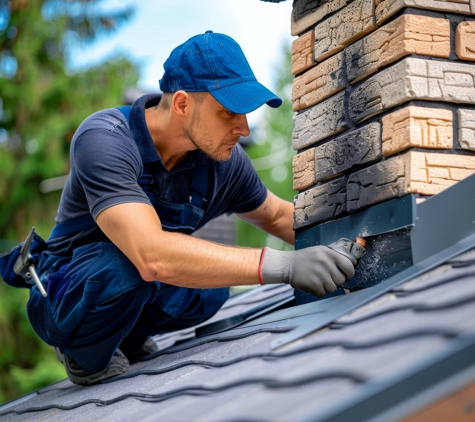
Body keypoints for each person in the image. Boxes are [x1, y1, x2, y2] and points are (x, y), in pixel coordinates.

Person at [0, 31, 362, 385]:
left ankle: (126, 335)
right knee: (130, 266)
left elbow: (277, 215)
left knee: (213, 288)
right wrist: (285, 266)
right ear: (182, 104)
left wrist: (342, 243)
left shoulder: (224, 162)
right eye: (228, 113)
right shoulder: (105, 139)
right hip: (65, 294)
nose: (244, 128)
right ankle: (83, 352)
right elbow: (151, 255)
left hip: (133, 286)